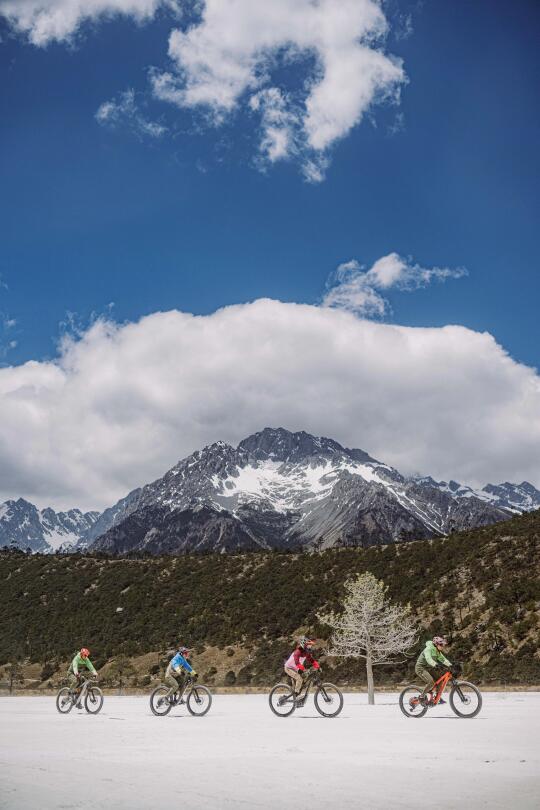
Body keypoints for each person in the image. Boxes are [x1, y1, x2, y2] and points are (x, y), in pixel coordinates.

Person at [415, 636, 452, 703]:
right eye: (441, 645)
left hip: (429, 668)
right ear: (436, 644)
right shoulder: (428, 649)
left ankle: (437, 697)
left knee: (440, 680)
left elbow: (443, 660)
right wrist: (436, 665)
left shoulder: (437, 651)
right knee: (431, 682)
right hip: (421, 668)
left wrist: (450, 665)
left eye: (443, 645)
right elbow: (428, 659)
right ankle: (422, 696)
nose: (442, 646)